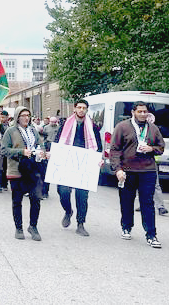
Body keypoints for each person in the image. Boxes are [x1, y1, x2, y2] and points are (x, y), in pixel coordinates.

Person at [110, 101, 165, 248]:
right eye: (139, 111)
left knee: (147, 202)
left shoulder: (153, 128)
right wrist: (118, 169)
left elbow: (161, 148)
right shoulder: (122, 127)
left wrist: (150, 148)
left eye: (144, 111)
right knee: (127, 201)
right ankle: (126, 227)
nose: (142, 114)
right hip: (127, 171)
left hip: (147, 171)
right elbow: (114, 150)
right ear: (133, 112)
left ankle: (151, 234)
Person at [53, 99, 103, 237]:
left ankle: (80, 224)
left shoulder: (93, 126)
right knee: (63, 191)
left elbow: (98, 145)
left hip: (84, 165)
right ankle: (68, 211)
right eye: (79, 107)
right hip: (67, 163)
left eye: (84, 108)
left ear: (87, 110)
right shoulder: (65, 124)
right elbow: (57, 141)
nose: (81, 110)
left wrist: (98, 159)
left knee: (82, 196)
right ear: (74, 109)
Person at [2, 106, 46, 241]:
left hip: (33, 169)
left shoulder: (34, 130)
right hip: (16, 169)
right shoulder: (11, 131)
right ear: (17, 117)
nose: (26, 118)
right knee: (17, 200)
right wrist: (21, 152)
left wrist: (43, 152)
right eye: (23, 115)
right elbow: (4, 150)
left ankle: (33, 226)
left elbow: (41, 145)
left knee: (36, 198)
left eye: (28, 115)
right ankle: (19, 227)